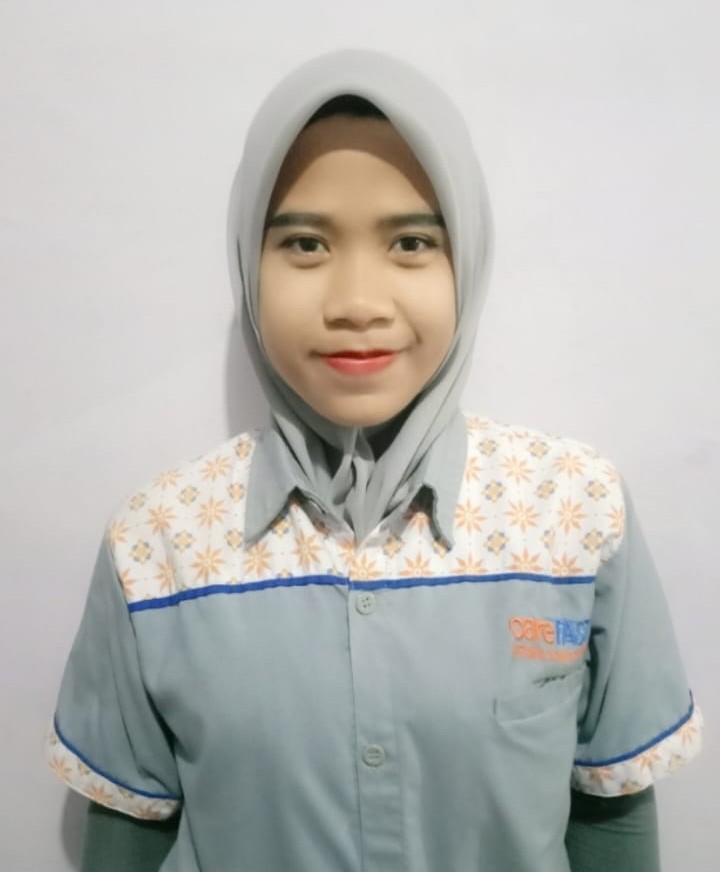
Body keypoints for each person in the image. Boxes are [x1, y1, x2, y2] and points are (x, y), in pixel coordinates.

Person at [46, 50, 702, 872]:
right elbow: (128, 832)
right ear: (249, 263)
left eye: (412, 242)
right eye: (306, 243)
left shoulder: (575, 513)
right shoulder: (159, 542)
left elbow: (610, 811)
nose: (357, 302)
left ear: (468, 258)